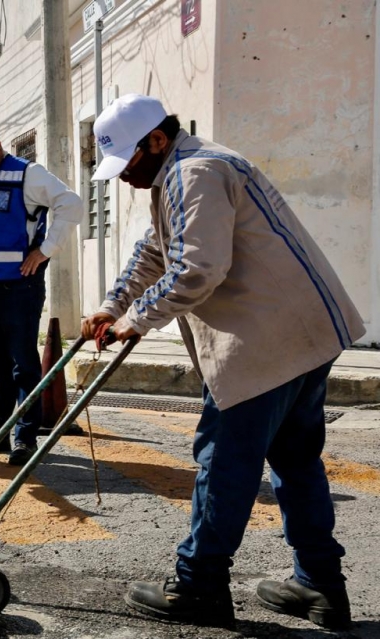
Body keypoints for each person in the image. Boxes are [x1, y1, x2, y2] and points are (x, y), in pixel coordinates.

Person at [81, 94, 365, 629]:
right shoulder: (183, 172)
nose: (122, 178)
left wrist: (135, 319)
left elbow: (197, 267)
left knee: (225, 462)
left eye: (127, 164)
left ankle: (199, 585)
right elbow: (156, 250)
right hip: (301, 334)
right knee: (296, 460)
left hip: (266, 342)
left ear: (157, 141)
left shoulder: (197, 172)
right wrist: (110, 306)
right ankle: (320, 584)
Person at [0, 116, 83, 466]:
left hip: (20, 288)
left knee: (24, 366)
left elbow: (71, 204)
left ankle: (24, 438)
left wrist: (45, 251)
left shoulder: (29, 174)